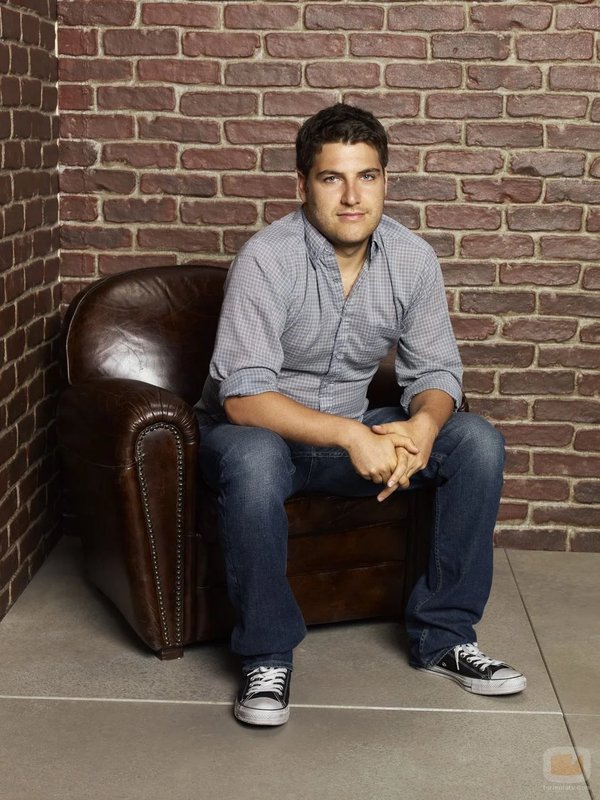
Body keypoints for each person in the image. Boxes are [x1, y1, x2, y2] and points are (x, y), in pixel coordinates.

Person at [195, 103, 526, 727]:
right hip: (256, 438)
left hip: (351, 433)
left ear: (384, 181)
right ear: (302, 185)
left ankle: (445, 638)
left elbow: (437, 374)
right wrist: (352, 435)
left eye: (366, 176)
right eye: (332, 178)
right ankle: (266, 657)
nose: (352, 197)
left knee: (475, 441)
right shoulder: (266, 259)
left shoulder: (412, 259)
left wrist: (423, 426)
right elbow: (244, 396)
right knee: (256, 458)